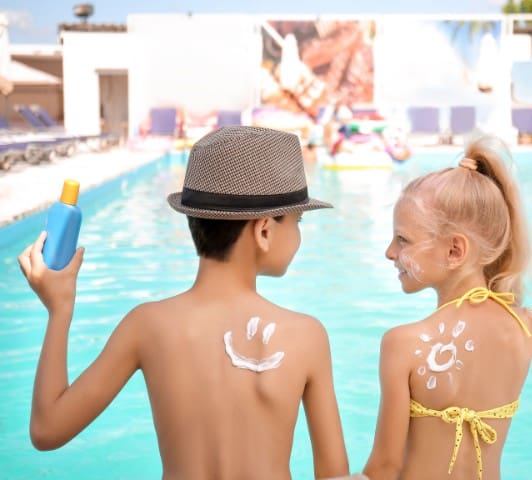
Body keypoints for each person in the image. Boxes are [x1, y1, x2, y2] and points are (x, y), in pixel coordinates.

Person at [18, 126, 356, 479]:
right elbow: (335, 475)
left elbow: (47, 430)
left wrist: (59, 310)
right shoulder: (306, 336)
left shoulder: (147, 325)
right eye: (297, 221)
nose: (299, 233)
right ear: (265, 231)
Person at [363, 136, 532, 480]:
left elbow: (384, 468)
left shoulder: (404, 344)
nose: (390, 252)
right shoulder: (527, 328)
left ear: (455, 250)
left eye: (402, 240)